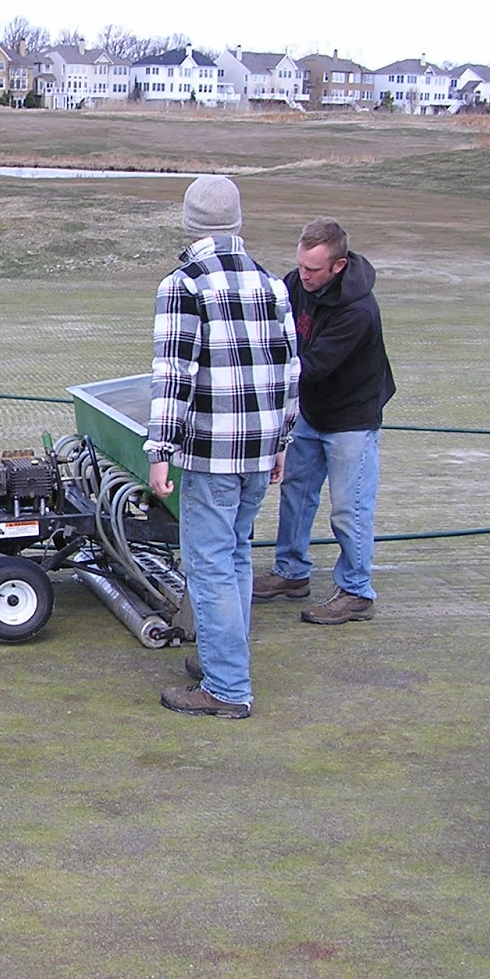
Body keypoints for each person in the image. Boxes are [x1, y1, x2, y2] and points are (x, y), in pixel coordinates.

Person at [144, 175, 299, 719]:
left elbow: (173, 375)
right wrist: (282, 442)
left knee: (209, 565)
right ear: (236, 221)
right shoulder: (273, 285)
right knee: (234, 557)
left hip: (211, 455)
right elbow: (289, 371)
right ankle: (221, 658)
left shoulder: (184, 284)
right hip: (260, 450)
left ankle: (228, 688)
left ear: (189, 220)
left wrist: (158, 449)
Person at [254, 217, 396, 624]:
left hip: (352, 416)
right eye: (301, 266)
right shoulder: (295, 285)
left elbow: (312, 365)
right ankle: (291, 573)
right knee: (296, 492)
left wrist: (255, 375)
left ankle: (356, 591)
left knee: (348, 508)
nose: (304, 276)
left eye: (313, 270)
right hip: (310, 411)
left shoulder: (358, 311)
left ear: (338, 265)